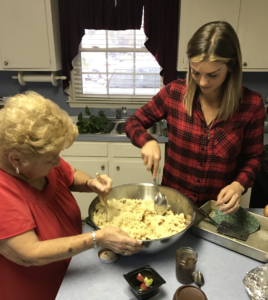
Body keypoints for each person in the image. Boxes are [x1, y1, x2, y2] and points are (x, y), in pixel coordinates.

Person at [0, 91, 143, 300]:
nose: (57, 163)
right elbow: (31, 252)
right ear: (16, 160)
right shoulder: (4, 192)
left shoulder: (39, 164)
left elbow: (70, 174)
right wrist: (98, 237)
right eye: (51, 159)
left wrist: (89, 183)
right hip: (39, 290)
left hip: (74, 271)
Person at [125, 21, 265, 214]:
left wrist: (238, 185)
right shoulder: (174, 93)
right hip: (171, 210)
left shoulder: (251, 105)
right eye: (195, 72)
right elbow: (133, 122)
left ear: (231, 66)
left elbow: (254, 157)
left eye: (213, 75)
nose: (203, 82)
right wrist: (146, 141)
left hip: (216, 211)